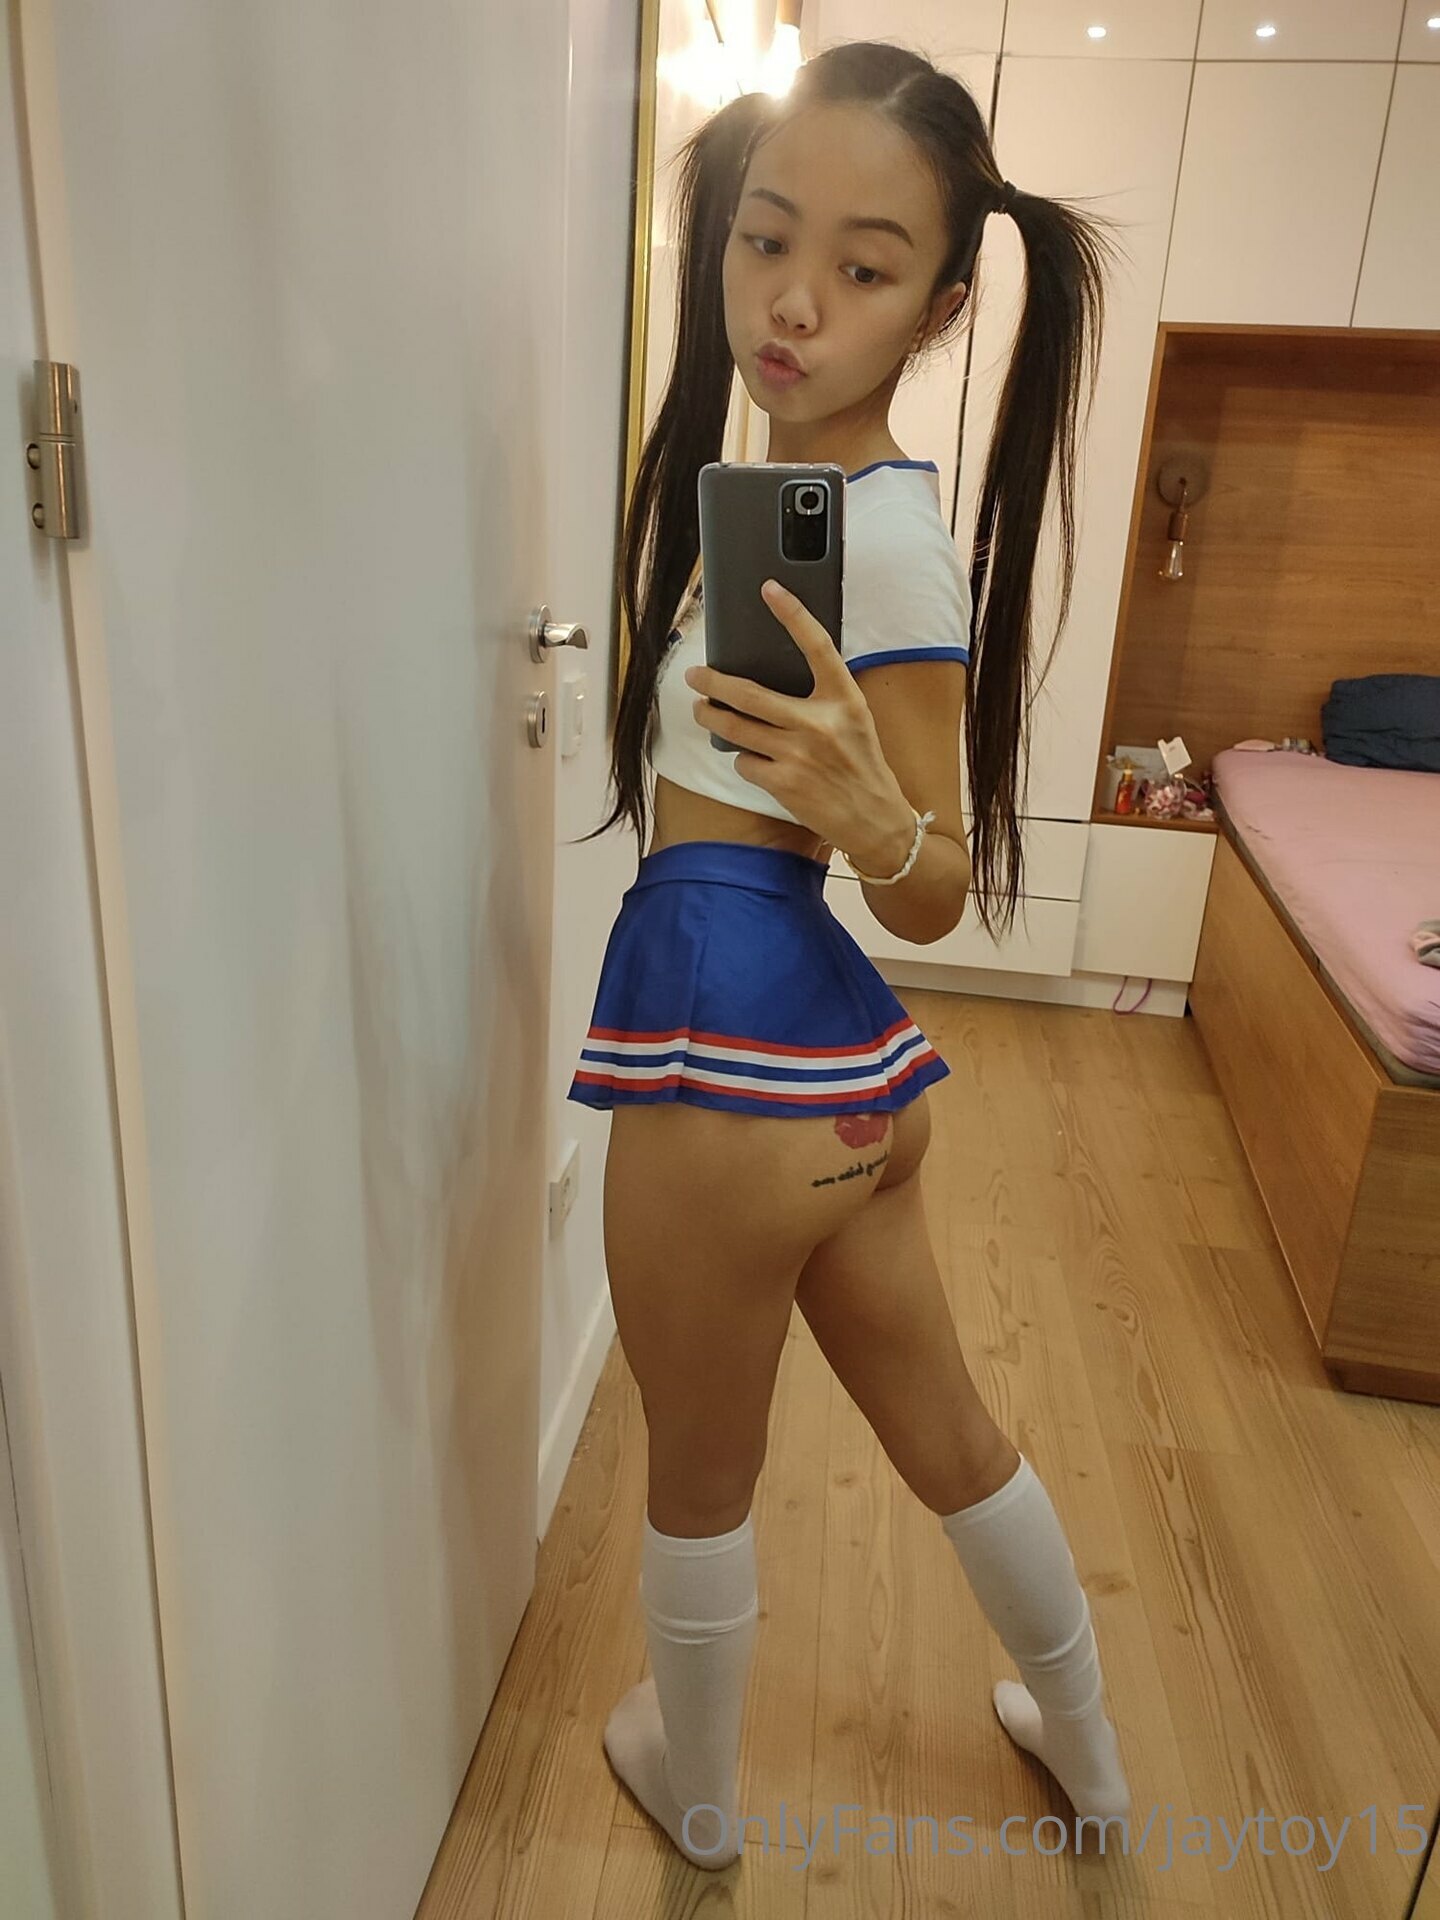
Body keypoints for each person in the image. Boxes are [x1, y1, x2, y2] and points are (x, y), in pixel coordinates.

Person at [565, 39, 1130, 1870]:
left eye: (865, 268)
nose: (793, 301)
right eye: (765, 238)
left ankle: (698, 1791)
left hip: (726, 1058)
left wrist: (868, 812)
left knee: (697, 1472)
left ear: (944, 308)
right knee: (952, 1434)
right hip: (833, 1080)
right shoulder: (793, 507)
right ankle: (1093, 1758)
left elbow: (936, 886)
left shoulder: (878, 546)